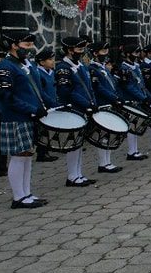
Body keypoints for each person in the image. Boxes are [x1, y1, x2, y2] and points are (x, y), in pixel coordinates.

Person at [0, 33, 46, 207]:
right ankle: (18, 197)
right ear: (14, 45)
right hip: (16, 117)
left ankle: (27, 193)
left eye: (31, 44)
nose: (30, 48)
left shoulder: (25, 65)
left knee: (27, 155)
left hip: (28, 115)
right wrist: (31, 110)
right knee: (18, 156)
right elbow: (6, 97)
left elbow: (35, 90)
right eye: (26, 44)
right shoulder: (5, 67)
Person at [56, 37, 98, 186]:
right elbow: (66, 92)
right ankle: (72, 176)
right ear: (69, 50)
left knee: (79, 144)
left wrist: (92, 103)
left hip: (83, 107)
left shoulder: (80, 66)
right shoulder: (63, 68)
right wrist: (85, 103)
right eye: (79, 50)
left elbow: (88, 87)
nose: (81, 52)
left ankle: (78, 173)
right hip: (73, 108)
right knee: (73, 144)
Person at [88, 41, 124, 174]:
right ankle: (103, 163)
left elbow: (112, 84)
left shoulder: (102, 68)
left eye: (106, 51)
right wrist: (113, 98)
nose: (106, 54)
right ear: (95, 53)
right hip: (102, 103)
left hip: (110, 103)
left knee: (109, 134)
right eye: (103, 52)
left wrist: (116, 97)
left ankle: (108, 162)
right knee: (103, 134)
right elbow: (98, 88)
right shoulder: (92, 69)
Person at [116, 45, 150, 160]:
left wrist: (147, 96)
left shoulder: (135, 66)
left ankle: (135, 150)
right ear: (127, 54)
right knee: (132, 125)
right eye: (134, 53)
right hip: (130, 99)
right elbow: (128, 86)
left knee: (136, 125)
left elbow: (141, 84)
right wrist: (142, 97)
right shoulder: (124, 68)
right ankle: (131, 151)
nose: (136, 55)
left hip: (138, 98)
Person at [32, 48, 60, 162]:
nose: (52, 61)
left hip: (52, 104)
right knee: (42, 129)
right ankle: (42, 153)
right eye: (49, 59)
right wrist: (51, 102)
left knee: (48, 129)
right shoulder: (38, 73)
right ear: (42, 62)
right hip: (43, 104)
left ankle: (47, 150)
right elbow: (41, 92)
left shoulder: (52, 72)